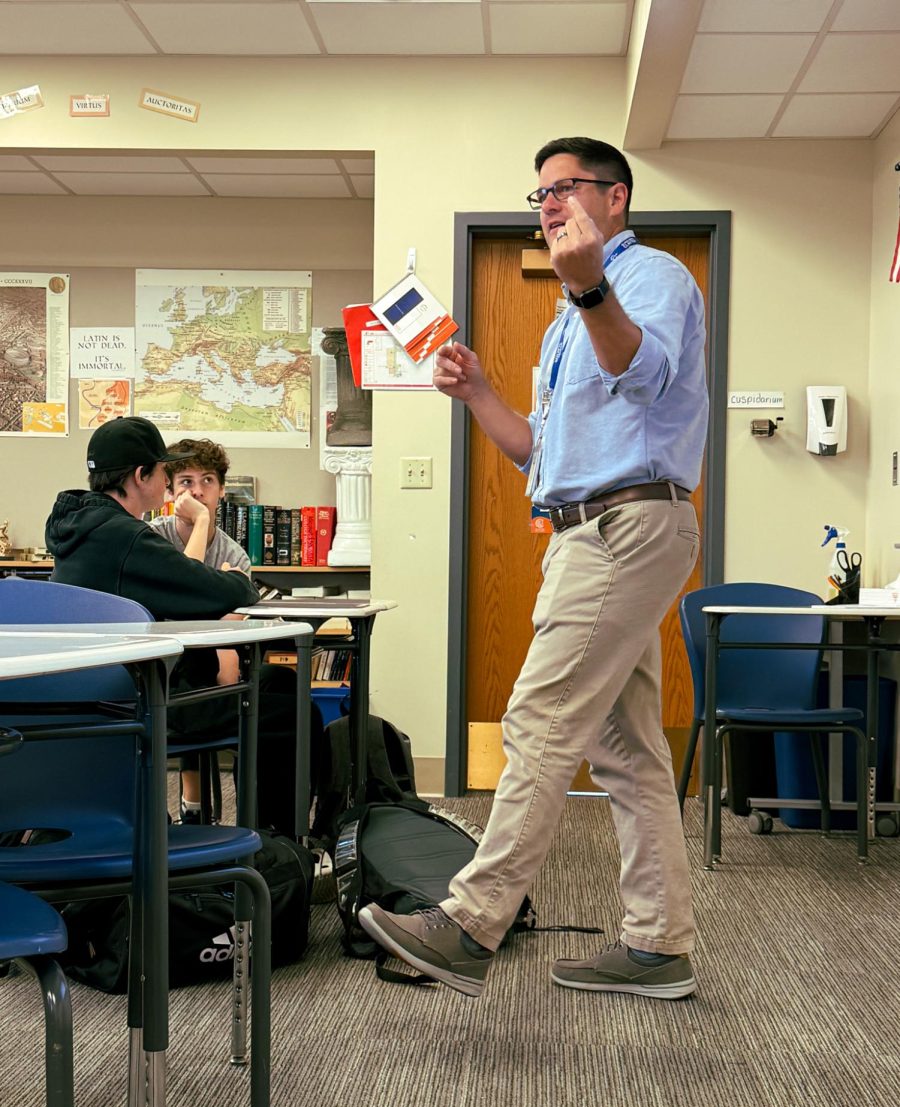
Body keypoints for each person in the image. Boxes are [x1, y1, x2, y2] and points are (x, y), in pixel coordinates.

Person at [360, 136, 708, 1001]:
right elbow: (541, 458)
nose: (549, 204)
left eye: (567, 189)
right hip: (589, 526)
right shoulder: (563, 319)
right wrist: (479, 392)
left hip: (626, 527)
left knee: (539, 719)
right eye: (540, 194)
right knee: (627, 751)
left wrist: (592, 286)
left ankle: (471, 924)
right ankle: (659, 945)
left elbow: (645, 373)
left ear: (615, 197)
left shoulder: (650, 278)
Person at [45, 416, 314, 835]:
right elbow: (221, 593)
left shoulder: (81, 529)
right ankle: (274, 841)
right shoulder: (127, 538)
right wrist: (238, 581)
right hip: (139, 702)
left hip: (98, 694)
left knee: (276, 683)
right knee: (288, 711)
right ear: (142, 477)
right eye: (165, 472)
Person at [148, 437, 251, 820]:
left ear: (221, 490)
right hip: (160, 664)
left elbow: (229, 628)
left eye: (208, 480)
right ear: (170, 492)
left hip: (210, 666)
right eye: (186, 482)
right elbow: (181, 600)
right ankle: (192, 804)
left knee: (220, 673)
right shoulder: (153, 539)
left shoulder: (233, 554)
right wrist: (202, 521)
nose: (198, 491)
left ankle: (200, 809)